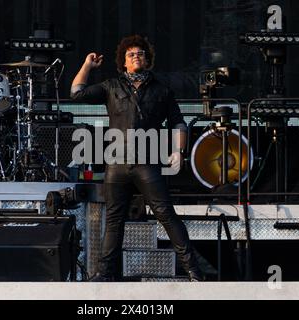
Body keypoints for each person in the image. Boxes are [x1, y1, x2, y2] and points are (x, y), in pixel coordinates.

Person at [71, 35, 206, 281]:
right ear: (123, 62)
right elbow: (76, 94)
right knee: (113, 220)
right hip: (117, 162)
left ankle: (194, 271)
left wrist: (179, 150)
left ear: (148, 60)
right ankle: (104, 274)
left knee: (165, 214)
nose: (136, 56)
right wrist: (87, 66)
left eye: (140, 53)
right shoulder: (112, 86)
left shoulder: (162, 90)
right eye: (131, 54)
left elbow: (179, 123)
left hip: (147, 162)